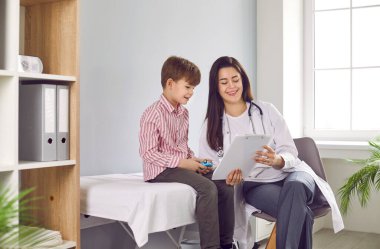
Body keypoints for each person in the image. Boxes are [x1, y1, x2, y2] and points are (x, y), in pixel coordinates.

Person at [198, 56, 344, 249]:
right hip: (257, 185)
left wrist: (278, 160)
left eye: (235, 79)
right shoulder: (212, 124)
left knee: (295, 189)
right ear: (216, 87)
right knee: (301, 213)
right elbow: (208, 165)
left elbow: (290, 150)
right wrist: (226, 176)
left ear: (243, 80)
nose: (231, 86)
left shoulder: (266, 111)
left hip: (295, 173)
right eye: (224, 82)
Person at [139, 56, 242, 249]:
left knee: (225, 182)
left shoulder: (183, 113)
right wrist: (184, 163)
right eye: (188, 87)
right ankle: (211, 247)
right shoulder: (152, 114)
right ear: (170, 83)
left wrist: (194, 160)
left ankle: (227, 243)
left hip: (180, 165)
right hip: (160, 170)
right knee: (207, 188)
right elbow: (148, 153)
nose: (192, 92)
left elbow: (182, 147)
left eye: (194, 88)